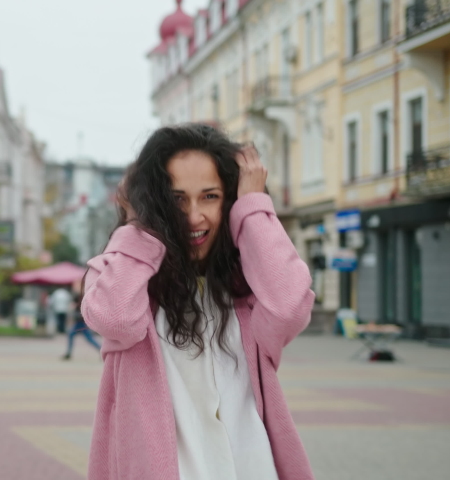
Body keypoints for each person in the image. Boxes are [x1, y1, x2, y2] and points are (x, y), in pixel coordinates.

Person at [81, 124, 316, 480]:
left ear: (230, 200)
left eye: (210, 196)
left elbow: (289, 307)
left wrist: (253, 208)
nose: (193, 216)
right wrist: (139, 224)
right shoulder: (124, 277)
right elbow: (116, 320)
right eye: (177, 199)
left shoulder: (248, 293)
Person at [61, 293, 101, 360]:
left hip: (81, 324)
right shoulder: (80, 304)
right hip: (80, 323)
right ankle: (68, 353)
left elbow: (80, 315)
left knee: (88, 338)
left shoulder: (80, 305)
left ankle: (100, 349)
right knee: (88, 338)